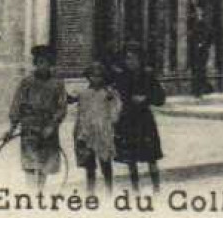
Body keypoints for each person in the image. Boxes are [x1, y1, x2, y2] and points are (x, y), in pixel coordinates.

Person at [10, 45, 68, 191]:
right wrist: (12, 128)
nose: (43, 66)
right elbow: (17, 104)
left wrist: (52, 125)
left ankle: (40, 191)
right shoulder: (27, 82)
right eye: (40, 62)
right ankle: (30, 193)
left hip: (48, 127)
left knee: (45, 162)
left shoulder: (58, 84)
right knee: (29, 162)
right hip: (29, 127)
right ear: (35, 63)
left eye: (46, 63)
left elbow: (61, 107)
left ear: (51, 64)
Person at [113, 45, 165, 191]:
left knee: (151, 156)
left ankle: (156, 188)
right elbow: (118, 96)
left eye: (133, 58)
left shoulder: (148, 76)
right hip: (128, 120)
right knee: (131, 158)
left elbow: (160, 98)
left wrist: (146, 98)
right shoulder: (122, 77)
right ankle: (135, 189)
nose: (130, 61)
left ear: (140, 60)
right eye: (127, 58)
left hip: (144, 120)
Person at [72, 61, 120, 192]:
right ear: (88, 77)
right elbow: (74, 102)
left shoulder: (108, 93)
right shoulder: (84, 93)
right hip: (87, 132)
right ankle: (90, 192)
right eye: (92, 76)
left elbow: (115, 109)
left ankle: (109, 189)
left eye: (99, 76)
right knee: (90, 165)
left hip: (103, 132)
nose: (96, 79)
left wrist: (111, 121)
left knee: (105, 162)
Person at [186, 5, 212, 98]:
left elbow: (208, 36)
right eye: (195, 12)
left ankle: (200, 91)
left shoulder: (203, 23)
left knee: (200, 70)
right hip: (194, 51)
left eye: (198, 12)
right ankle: (197, 90)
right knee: (196, 70)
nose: (196, 14)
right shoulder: (192, 23)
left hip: (201, 51)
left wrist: (202, 44)